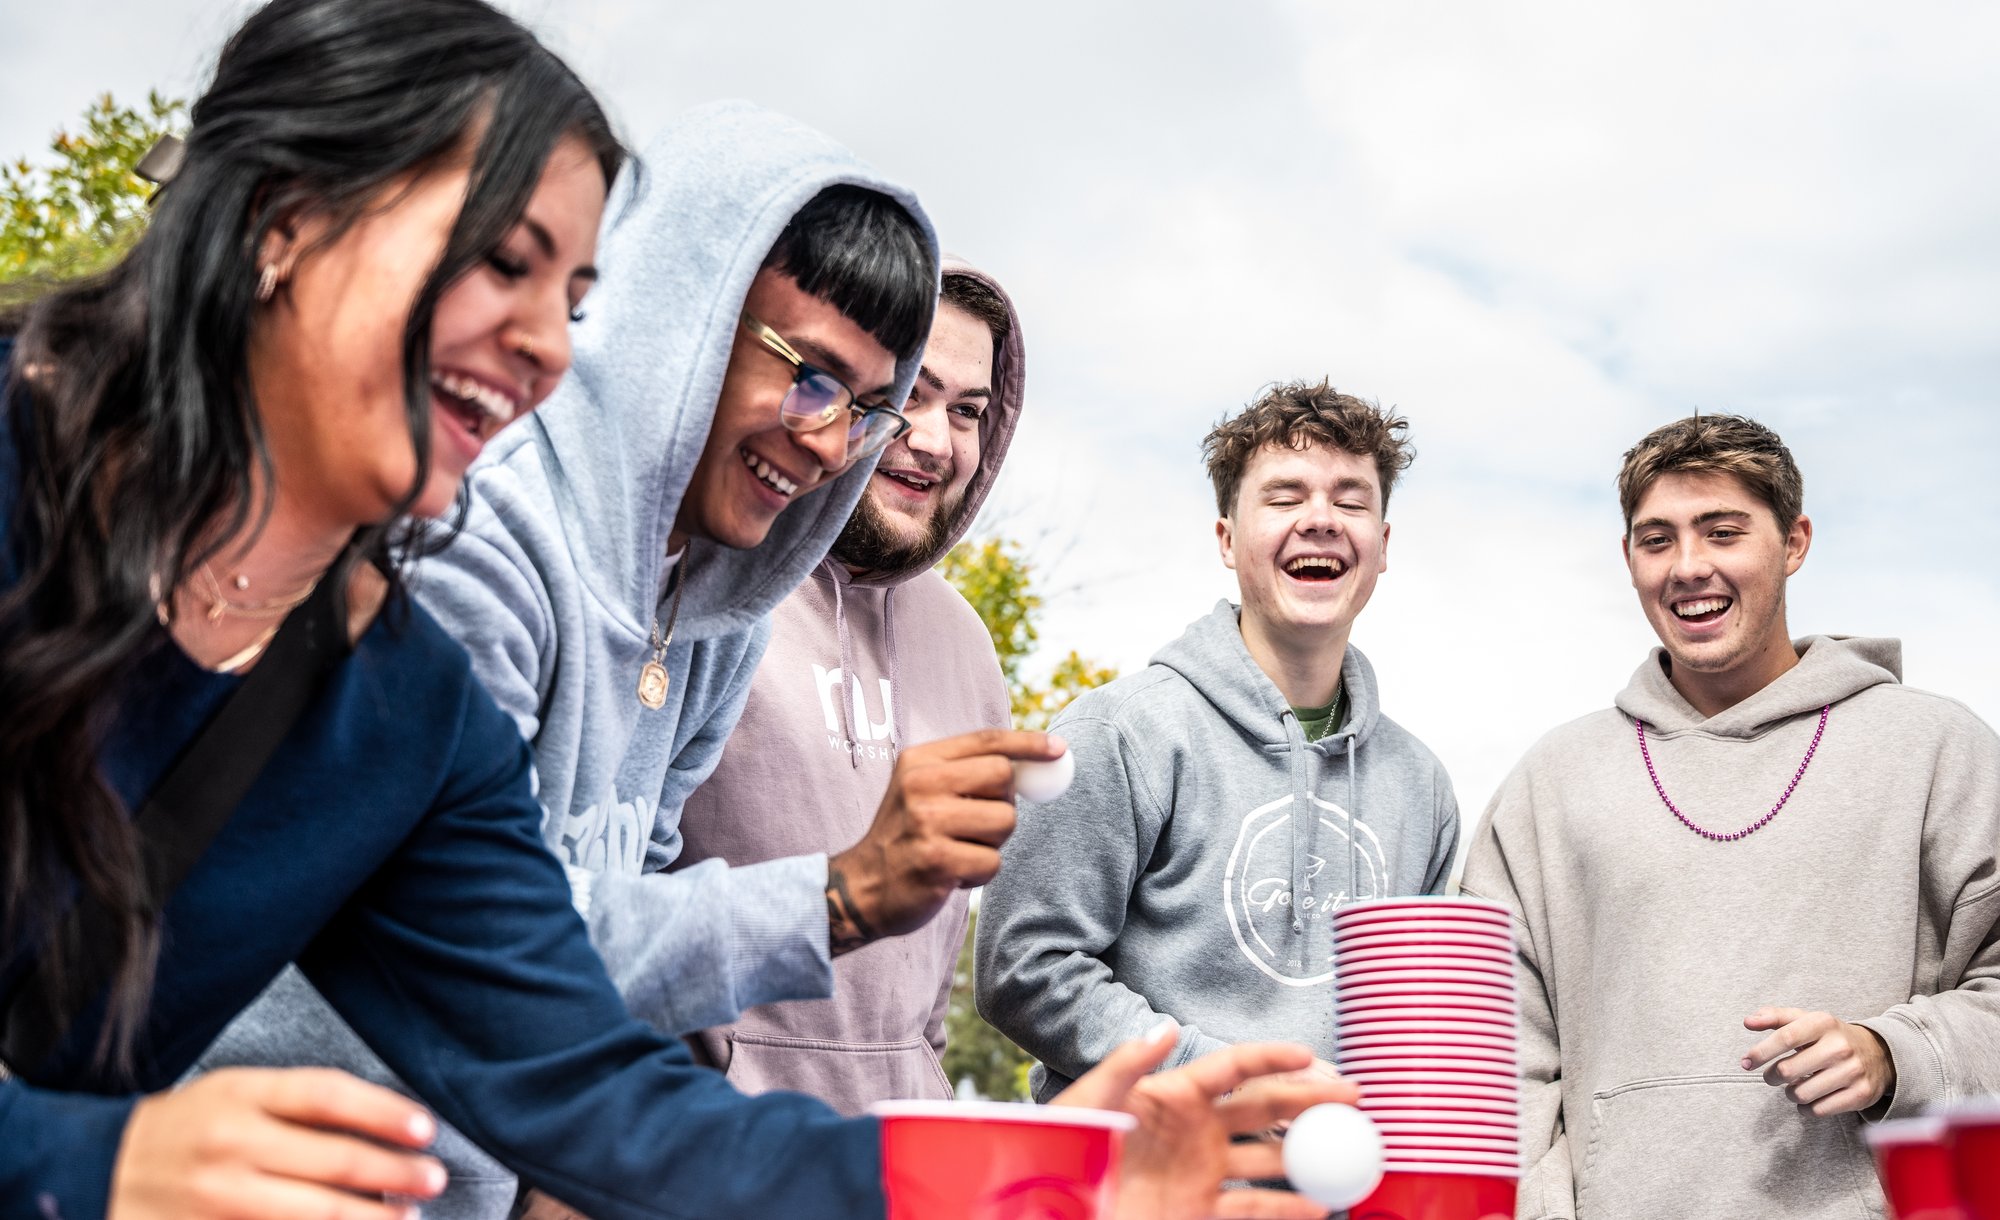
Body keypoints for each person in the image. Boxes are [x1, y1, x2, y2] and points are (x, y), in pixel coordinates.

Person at [0, 6, 1362, 1219]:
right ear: (281, 219)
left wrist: (1025, 1180)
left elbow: (587, 1083)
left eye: (575, 298)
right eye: (503, 264)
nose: (546, 345)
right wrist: (87, 1162)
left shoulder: (398, 703)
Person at [196, 103, 1060, 1214]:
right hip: (270, 1172)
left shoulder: (715, 615)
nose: (826, 441)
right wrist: (841, 891)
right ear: (681, 320)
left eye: (864, 409)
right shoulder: (475, 545)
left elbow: (611, 945)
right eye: (806, 374)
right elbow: (477, 939)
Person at [1458, 413, 2000, 1219]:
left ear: (1794, 542)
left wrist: (1895, 1054)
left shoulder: (1934, 747)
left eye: (1723, 532)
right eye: (1657, 539)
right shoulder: (1552, 781)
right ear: (1629, 558)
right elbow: (1491, 1042)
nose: (1689, 567)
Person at [977, 380, 1461, 1100]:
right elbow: (1026, 967)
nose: (1321, 519)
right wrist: (1221, 1083)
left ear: (1382, 546)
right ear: (1228, 540)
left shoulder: (1419, 786)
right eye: (1285, 496)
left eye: (1352, 500)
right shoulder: (1121, 734)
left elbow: (1413, 1025)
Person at [674, 260, 1024, 1112]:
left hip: (894, 1168)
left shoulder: (966, 647)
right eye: (912, 393)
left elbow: (926, 990)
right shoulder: (707, 588)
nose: (937, 441)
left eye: (970, 412)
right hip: (693, 1154)